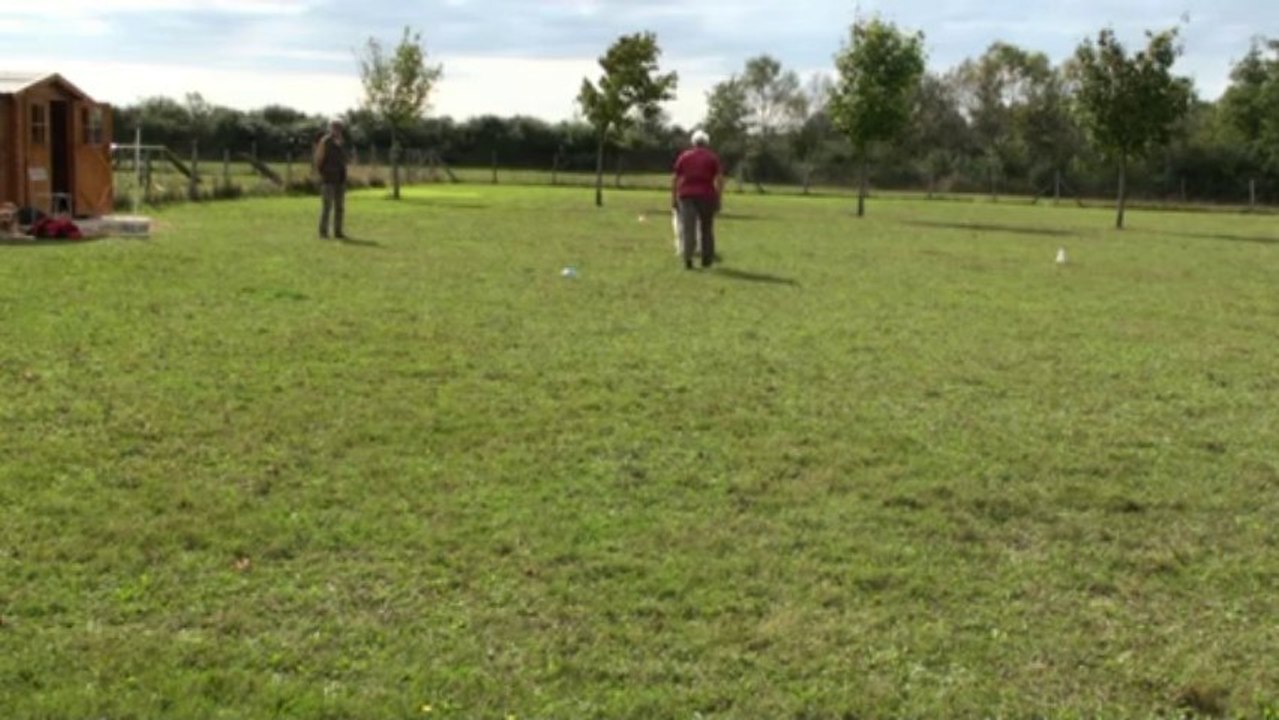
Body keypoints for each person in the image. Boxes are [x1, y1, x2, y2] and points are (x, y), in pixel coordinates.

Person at [672, 129, 723, 270]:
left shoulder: (684, 157)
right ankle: (706, 259)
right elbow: (719, 179)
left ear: (693, 143)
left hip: (686, 195)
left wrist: (673, 198)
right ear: (706, 143)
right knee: (706, 228)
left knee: (688, 228)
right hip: (707, 195)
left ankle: (688, 258)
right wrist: (719, 198)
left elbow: (676, 179)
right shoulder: (712, 158)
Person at [314, 119, 349, 239]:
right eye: (335, 128)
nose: (337, 131)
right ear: (331, 129)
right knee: (327, 207)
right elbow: (318, 159)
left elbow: (344, 159)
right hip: (328, 179)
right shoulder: (325, 142)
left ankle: (338, 231)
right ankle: (323, 232)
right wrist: (322, 173)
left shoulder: (342, 142)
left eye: (339, 128)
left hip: (340, 178)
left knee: (340, 207)